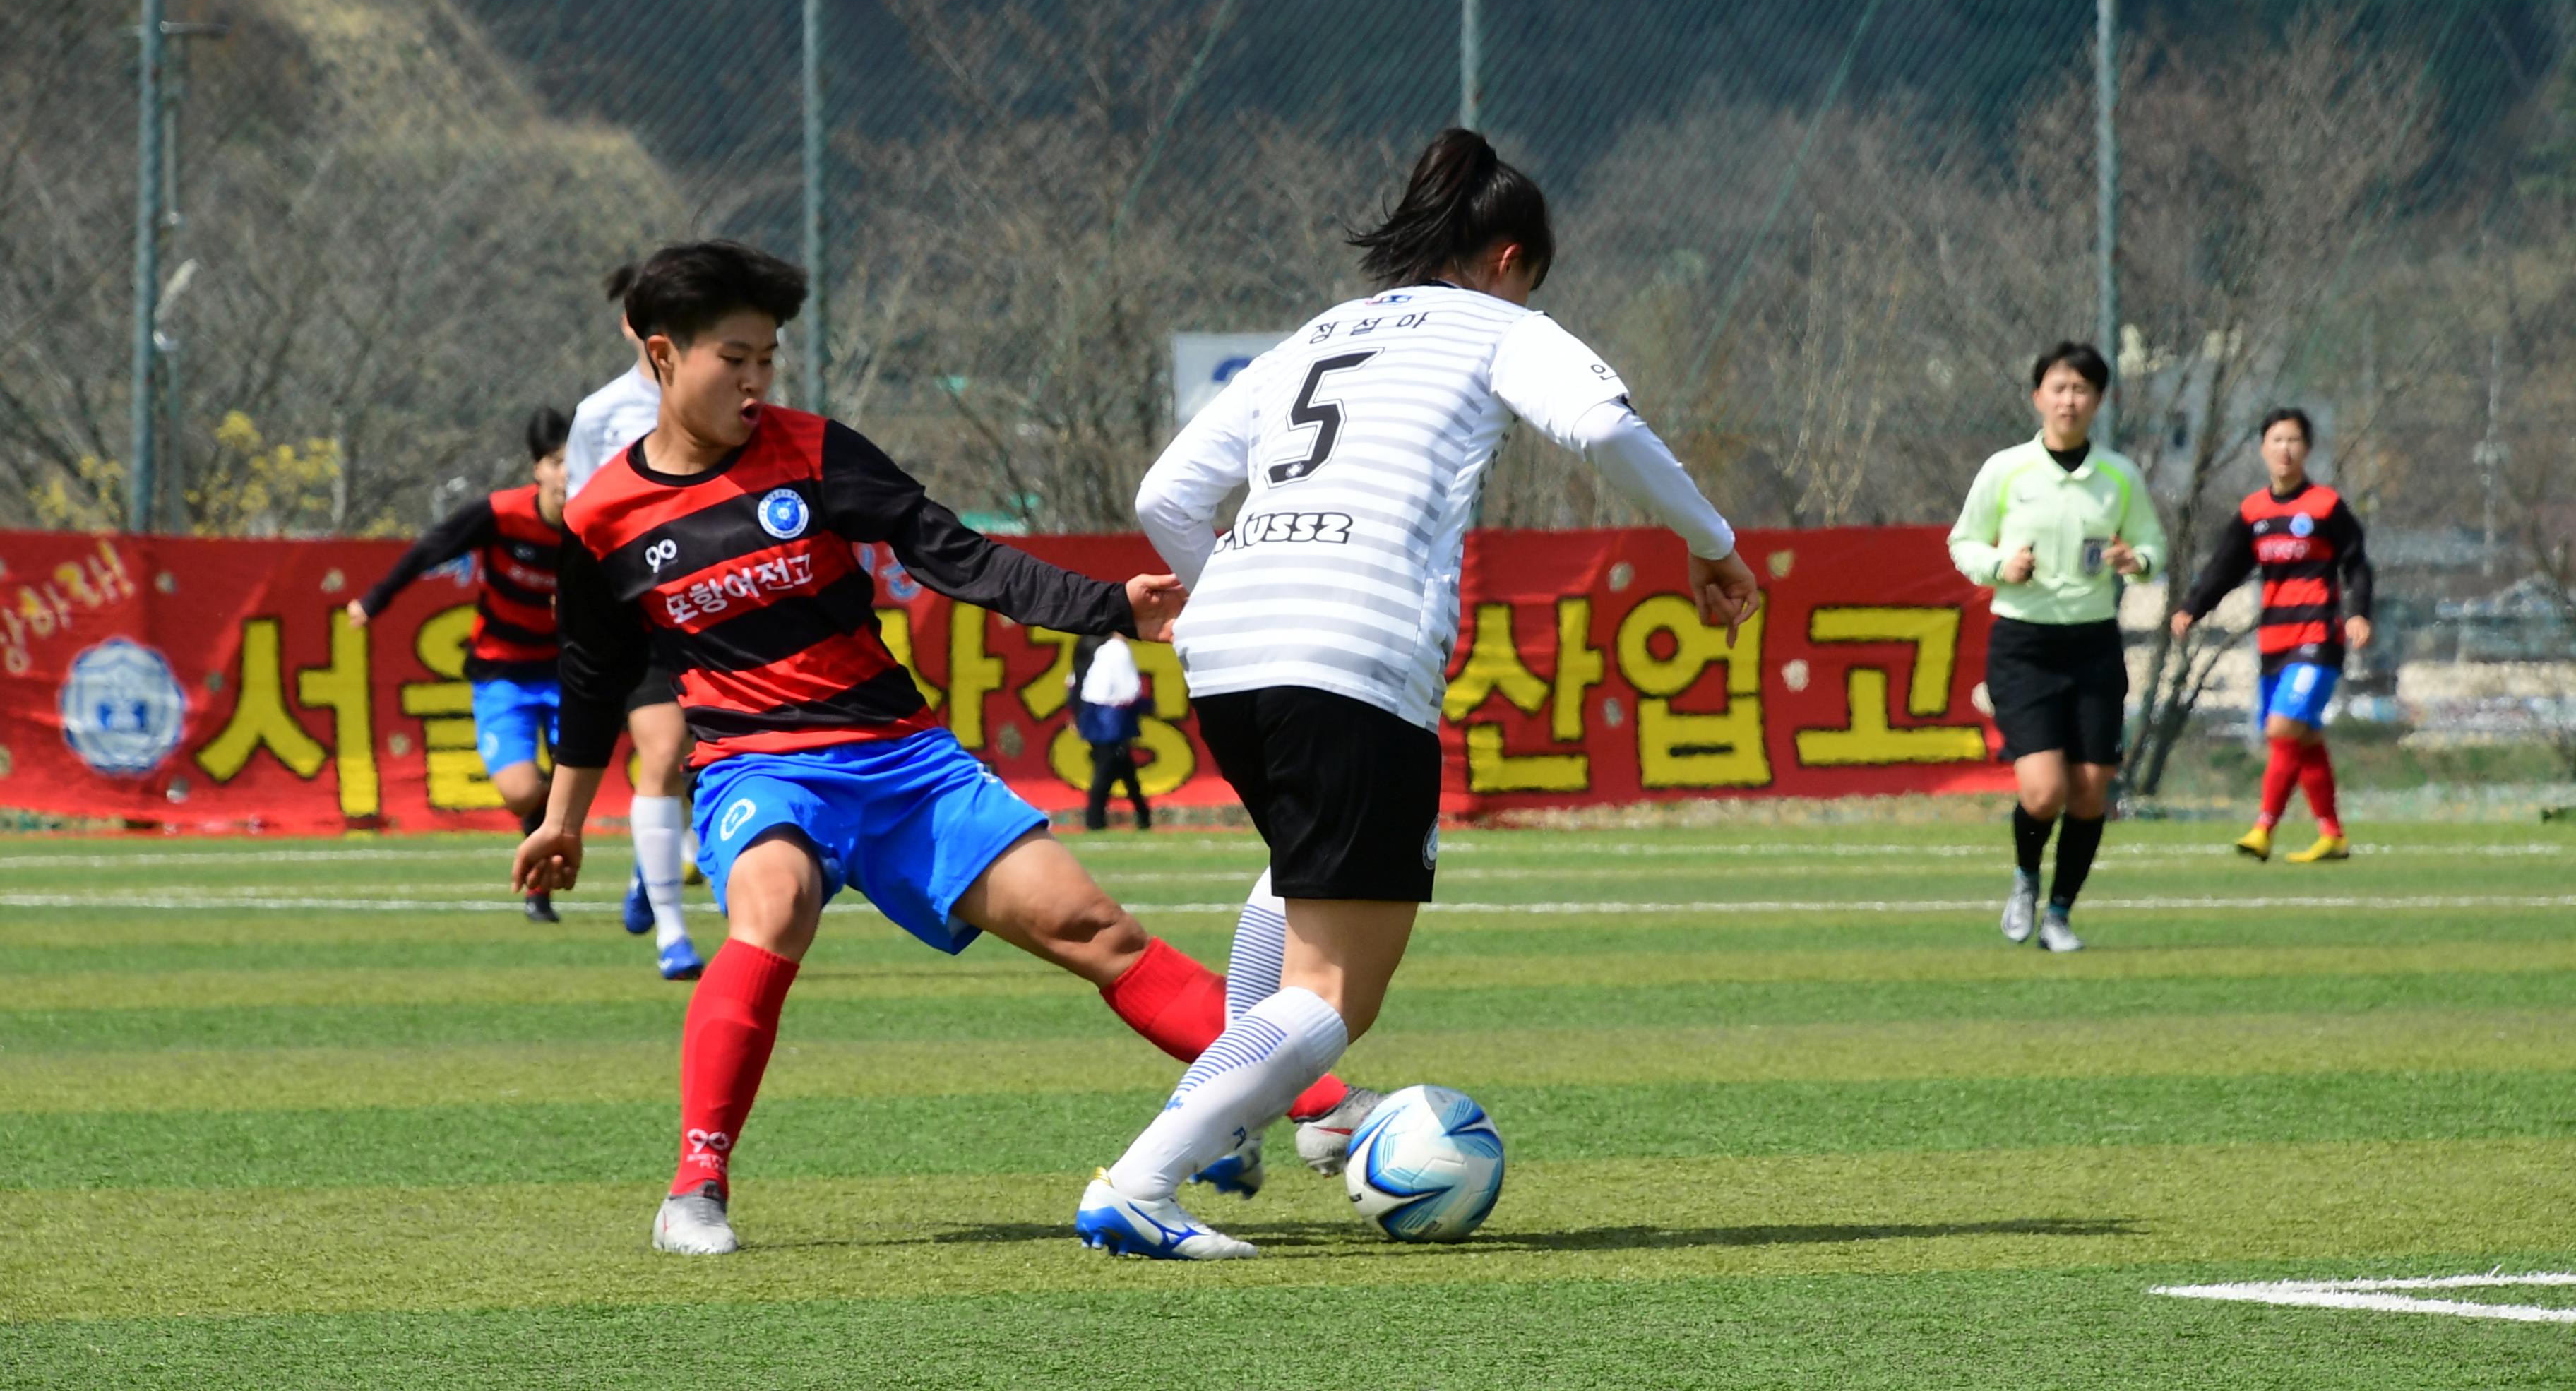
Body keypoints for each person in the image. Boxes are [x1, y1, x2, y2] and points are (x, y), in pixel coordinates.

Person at [509, 240, 1353, 1257]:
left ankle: (1331, 1107)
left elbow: (952, 554)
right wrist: (560, 821)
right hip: (756, 767)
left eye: (768, 359)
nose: (755, 380)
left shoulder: (816, 452)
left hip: (902, 761)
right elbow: (593, 682)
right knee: (772, 904)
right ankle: (695, 1188)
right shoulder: (602, 518)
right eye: (733, 358)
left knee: (1099, 931)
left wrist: (1105, 608)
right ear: (660, 355)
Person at [1075, 128, 1760, 1260]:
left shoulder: (1318, 334)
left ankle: (1229, 1124)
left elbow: (1166, 494)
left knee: (1297, 881)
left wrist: (1239, 590)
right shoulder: (1502, 325)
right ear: (1507, 260)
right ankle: (1142, 1182)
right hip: (1352, 649)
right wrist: (1712, 544)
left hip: (1229, 650)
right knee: (1341, 988)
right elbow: (1601, 423)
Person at [1948, 341, 2166, 955]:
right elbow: (1964, 542)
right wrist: (2000, 564)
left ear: (2099, 400)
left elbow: (2154, 549)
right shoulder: (2007, 469)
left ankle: (2060, 914)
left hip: (2094, 644)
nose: (2069, 400)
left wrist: (2137, 559)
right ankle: (2025, 880)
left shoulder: (2119, 475)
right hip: (2024, 644)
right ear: (2037, 395)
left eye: (2082, 390)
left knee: (2093, 787)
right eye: (2059, 387)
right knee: (2044, 792)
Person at [350, 408, 573, 921]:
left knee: (571, 790)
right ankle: (540, 846)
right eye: (558, 462)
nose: (568, 473)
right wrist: (376, 600)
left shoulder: (594, 524)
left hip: (567, 673)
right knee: (524, 792)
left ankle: (549, 890)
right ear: (538, 469)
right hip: (502, 673)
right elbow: (433, 547)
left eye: (576, 461)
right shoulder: (500, 514)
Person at [566, 265, 703, 981]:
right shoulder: (602, 413)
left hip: (727, 606)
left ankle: (658, 862)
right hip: (646, 614)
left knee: (701, 761)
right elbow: (585, 521)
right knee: (664, 750)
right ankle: (674, 935)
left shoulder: (730, 407)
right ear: (634, 327)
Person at [2168, 407, 2373, 864]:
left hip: (2318, 637)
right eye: (2277, 440)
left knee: (2283, 730)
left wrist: (2358, 613)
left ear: (2307, 449)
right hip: (2274, 642)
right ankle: (2332, 835)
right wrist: (2191, 607)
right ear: (2263, 448)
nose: (2286, 449)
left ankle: (2263, 829)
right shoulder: (2253, 512)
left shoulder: (2325, 506)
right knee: (2303, 738)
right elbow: (2225, 568)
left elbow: (2356, 563)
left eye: (2294, 440)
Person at [1071, 633, 1151, 831]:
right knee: (1106, 769)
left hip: (1094, 713)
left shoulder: (1097, 647)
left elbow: (1074, 681)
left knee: (1123, 767)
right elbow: (1129, 689)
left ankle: (1143, 815)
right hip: (1112, 716)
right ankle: (1095, 820)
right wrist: (1144, 706)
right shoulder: (1117, 649)